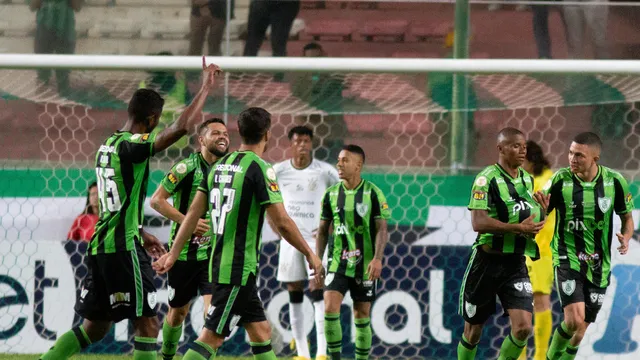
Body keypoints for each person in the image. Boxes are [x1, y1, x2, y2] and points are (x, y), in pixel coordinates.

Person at [38, 57, 221, 360]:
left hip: (103, 246)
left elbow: (114, 203)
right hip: (122, 250)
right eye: (157, 121)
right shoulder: (131, 145)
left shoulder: (107, 145)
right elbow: (184, 127)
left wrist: (140, 229)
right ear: (150, 119)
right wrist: (205, 87)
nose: (158, 126)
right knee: (148, 325)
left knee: (94, 327)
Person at [153, 107, 324, 360]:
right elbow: (283, 223)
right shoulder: (260, 168)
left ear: (239, 133)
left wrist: (173, 253)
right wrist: (310, 252)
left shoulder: (220, 166)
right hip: (237, 268)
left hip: (221, 264)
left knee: (261, 331)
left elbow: (192, 213)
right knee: (211, 338)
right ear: (267, 134)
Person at [536, 132, 634, 360]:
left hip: (599, 263)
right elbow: (539, 211)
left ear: (595, 158)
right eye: (570, 153)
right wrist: (539, 209)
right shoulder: (560, 180)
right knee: (573, 320)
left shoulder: (615, 181)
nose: (572, 159)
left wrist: (627, 237)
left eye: (579, 155)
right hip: (567, 257)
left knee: (579, 333)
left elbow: (627, 217)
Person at [457, 127, 546, 360]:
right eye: (516, 146)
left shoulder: (527, 180)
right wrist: (518, 228)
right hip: (486, 263)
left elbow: (528, 219)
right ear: (500, 148)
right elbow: (478, 222)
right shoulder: (487, 179)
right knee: (473, 332)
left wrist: (541, 213)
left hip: (515, 264)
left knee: (523, 328)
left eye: (524, 146)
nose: (522, 150)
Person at [150, 118, 230, 360]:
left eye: (225, 133)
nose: (222, 137)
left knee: (212, 316)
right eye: (215, 133)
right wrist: (189, 221)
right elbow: (157, 200)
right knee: (178, 313)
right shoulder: (186, 168)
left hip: (213, 255)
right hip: (184, 253)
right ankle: (167, 356)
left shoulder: (228, 170)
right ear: (201, 140)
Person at [316, 144, 391, 360]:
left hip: (364, 263)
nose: (339, 164)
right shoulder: (330, 195)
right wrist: (318, 260)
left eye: (345, 160)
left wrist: (377, 259)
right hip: (337, 262)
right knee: (330, 308)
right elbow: (322, 231)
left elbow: (381, 229)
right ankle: (335, 358)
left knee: (362, 314)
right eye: (338, 159)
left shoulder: (373, 194)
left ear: (358, 165)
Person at [272, 125, 339, 360]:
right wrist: (279, 230)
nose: (302, 144)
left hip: (315, 241)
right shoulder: (278, 171)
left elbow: (340, 199)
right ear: (290, 144)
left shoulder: (325, 172)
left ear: (312, 144)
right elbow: (269, 204)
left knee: (318, 289)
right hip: (290, 241)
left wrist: (327, 228)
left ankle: (321, 353)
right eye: (298, 140)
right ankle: (302, 353)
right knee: (294, 289)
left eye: (306, 141)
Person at [517, 141, 555, 360]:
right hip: (522, 252)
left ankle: (540, 356)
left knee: (540, 301)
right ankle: (520, 356)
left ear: (530, 161)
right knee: (519, 304)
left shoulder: (547, 182)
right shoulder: (527, 181)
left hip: (541, 252)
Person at [30, 0, 82, 94]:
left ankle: (64, 101)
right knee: (42, 75)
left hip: (66, 30)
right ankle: (40, 103)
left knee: (64, 76)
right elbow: (33, 6)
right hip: (43, 29)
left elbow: (77, 7)